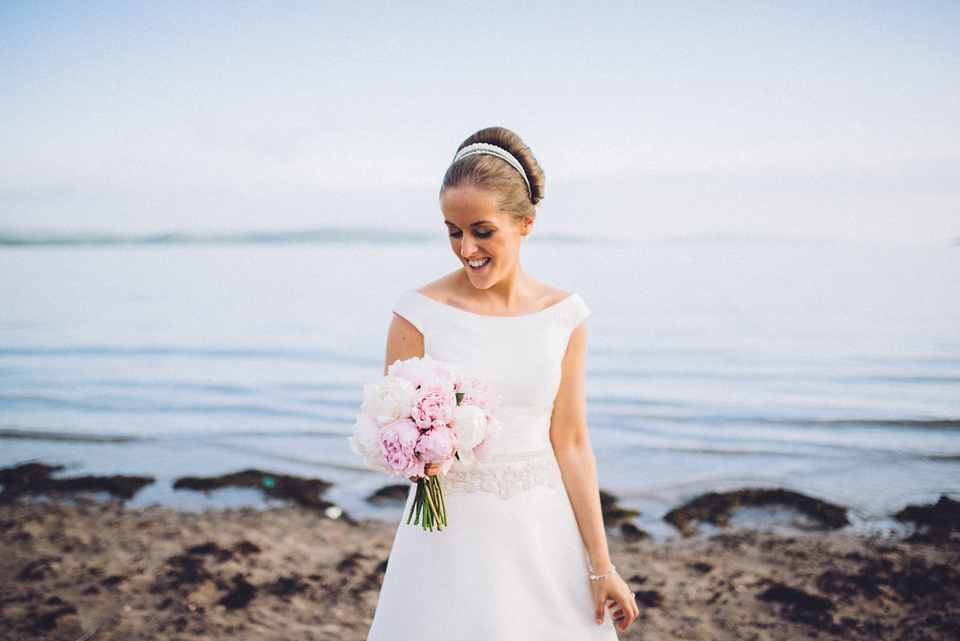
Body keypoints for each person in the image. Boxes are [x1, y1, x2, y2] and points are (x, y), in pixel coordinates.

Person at [365, 127, 638, 639]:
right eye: (452, 230)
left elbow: (573, 442)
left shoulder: (566, 316)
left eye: (482, 230)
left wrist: (602, 567)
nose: (466, 248)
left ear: (526, 223)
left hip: (543, 530)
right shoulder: (417, 314)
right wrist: (420, 457)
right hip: (448, 537)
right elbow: (394, 432)